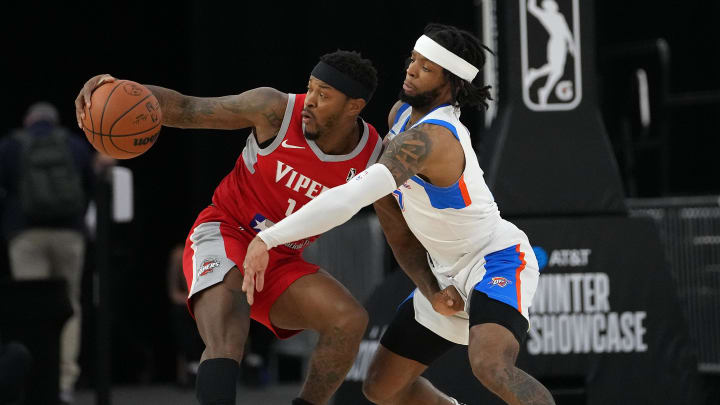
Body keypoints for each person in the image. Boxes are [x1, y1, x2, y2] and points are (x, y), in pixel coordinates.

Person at [243, 24, 555, 405]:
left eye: (426, 67)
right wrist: (431, 288)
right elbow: (394, 223)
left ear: (451, 82)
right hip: (441, 269)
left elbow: (352, 196)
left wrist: (270, 236)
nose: (410, 69)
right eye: (413, 59)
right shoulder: (401, 115)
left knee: (491, 367)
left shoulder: (434, 138)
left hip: (494, 261)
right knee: (381, 388)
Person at [75, 49, 381, 405]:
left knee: (349, 320)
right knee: (228, 339)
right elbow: (187, 108)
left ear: (354, 107)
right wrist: (120, 90)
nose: (310, 100)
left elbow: (399, 229)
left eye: (324, 95)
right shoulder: (275, 110)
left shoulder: (373, 158)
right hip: (226, 232)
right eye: (310, 88)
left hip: (278, 258)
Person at [0, 102, 95, 405]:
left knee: (29, 310)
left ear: (28, 121)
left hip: (26, 234)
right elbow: (90, 187)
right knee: (69, 307)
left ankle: (35, 381)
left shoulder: (12, 145)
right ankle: (65, 383)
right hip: (69, 234)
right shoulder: (75, 145)